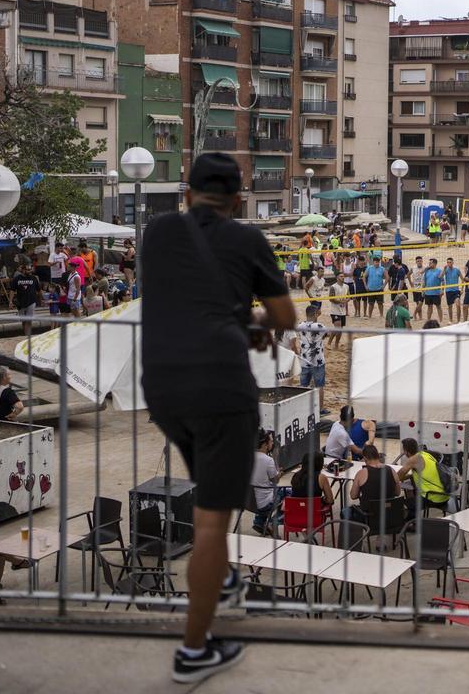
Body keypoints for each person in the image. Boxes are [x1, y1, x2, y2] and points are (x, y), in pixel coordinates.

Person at [140, 153, 296, 683]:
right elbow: (284, 317)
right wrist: (251, 318)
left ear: (186, 195)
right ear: (236, 201)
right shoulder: (246, 239)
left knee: (207, 488)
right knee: (212, 521)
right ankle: (193, 651)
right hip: (220, 387)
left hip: (161, 387)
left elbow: (185, 297)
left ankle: (223, 580)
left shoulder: (157, 233)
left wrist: (232, 313)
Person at [343, 443, 400, 524]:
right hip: (389, 514)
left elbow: (353, 496)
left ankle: (359, 536)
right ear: (377, 456)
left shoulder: (361, 473)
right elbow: (398, 493)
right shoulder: (392, 470)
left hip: (369, 516)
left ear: (365, 458)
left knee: (345, 512)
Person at [249, 431, 291, 533]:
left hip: (249, 502)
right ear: (265, 444)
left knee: (266, 490)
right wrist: (280, 473)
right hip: (264, 503)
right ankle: (274, 522)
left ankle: (259, 521)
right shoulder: (268, 460)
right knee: (289, 492)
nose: (272, 444)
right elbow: (275, 480)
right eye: (271, 441)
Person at [395, 437, 449, 515]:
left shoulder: (413, 459)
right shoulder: (425, 454)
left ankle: (411, 524)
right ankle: (414, 523)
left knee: (402, 505)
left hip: (433, 498)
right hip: (444, 495)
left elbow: (398, 477)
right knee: (412, 500)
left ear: (406, 451)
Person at [295, 306, 327, 406]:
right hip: (318, 360)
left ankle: (302, 407)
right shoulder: (319, 326)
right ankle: (320, 409)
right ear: (316, 314)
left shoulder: (300, 325)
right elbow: (327, 335)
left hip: (304, 359)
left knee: (303, 385)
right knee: (319, 386)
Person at [442, 257, 462, 324]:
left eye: (450, 262)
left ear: (453, 263)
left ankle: (458, 321)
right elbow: (440, 277)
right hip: (448, 291)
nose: (449, 263)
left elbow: (463, 279)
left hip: (456, 290)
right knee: (450, 306)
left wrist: (462, 289)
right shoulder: (446, 270)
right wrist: (444, 269)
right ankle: (450, 320)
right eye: (447, 262)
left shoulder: (457, 270)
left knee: (458, 305)